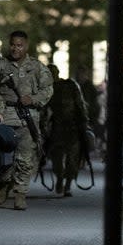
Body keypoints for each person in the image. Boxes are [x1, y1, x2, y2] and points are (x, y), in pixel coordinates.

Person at [0, 30, 53, 210]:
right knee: (2, 158)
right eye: (13, 45)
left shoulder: (37, 67)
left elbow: (47, 90)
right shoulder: (1, 66)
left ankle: (20, 194)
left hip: (27, 118)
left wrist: (33, 99)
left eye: (20, 45)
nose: (16, 49)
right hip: (4, 116)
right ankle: (3, 184)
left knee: (25, 158)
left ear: (26, 46)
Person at [46, 64, 90, 197]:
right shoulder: (46, 90)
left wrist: (84, 123)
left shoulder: (70, 85)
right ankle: (60, 178)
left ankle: (68, 185)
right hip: (57, 128)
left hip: (73, 127)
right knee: (57, 159)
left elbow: (80, 104)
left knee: (72, 158)